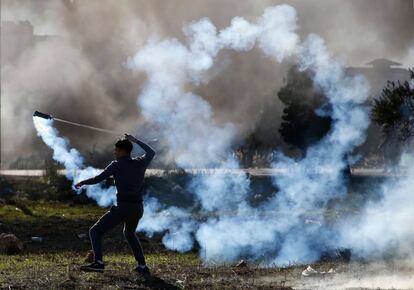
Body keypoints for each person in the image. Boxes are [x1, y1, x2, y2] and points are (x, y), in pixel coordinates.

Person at [74, 134, 155, 274]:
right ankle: (142, 266)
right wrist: (135, 140)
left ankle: (98, 263)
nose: (114, 152)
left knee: (95, 231)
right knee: (129, 233)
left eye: (116, 150)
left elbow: (98, 178)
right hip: (138, 208)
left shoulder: (116, 165)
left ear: (123, 151)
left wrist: (82, 182)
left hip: (123, 208)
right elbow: (151, 151)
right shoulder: (140, 162)